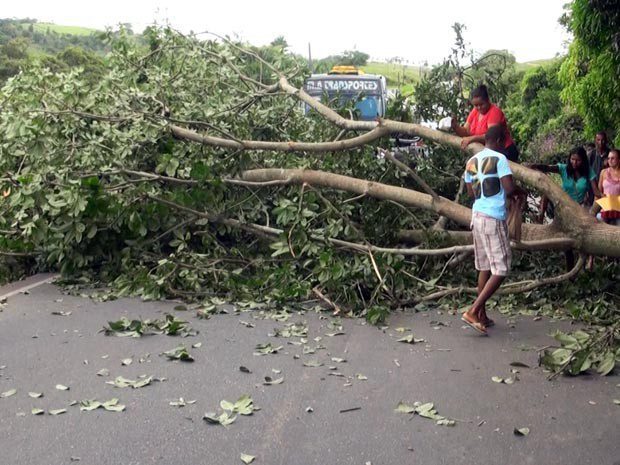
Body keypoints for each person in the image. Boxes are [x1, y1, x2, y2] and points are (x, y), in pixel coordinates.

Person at [461, 125, 523, 335]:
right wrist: (519, 192)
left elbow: (471, 192)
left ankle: (482, 316)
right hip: (493, 217)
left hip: (476, 216)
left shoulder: (471, 162)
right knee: (502, 268)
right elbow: (508, 188)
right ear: (499, 140)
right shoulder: (500, 159)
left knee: (485, 266)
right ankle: (473, 310)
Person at [527, 147, 602, 270]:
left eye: (578, 160)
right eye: (572, 159)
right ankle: (570, 271)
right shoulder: (563, 169)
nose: (574, 163)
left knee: (581, 240)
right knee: (567, 243)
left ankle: (582, 266)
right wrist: (534, 165)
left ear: (583, 160)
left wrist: (605, 198)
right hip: (563, 209)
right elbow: (548, 167)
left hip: (580, 210)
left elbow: (596, 192)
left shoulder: (588, 171)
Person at [452, 84, 519, 162]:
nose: (479, 108)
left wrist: (472, 139)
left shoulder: (495, 112)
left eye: (481, 104)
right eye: (476, 105)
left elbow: (492, 137)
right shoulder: (475, 111)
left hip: (505, 151)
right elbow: (466, 131)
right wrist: (455, 126)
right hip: (489, 152)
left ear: (487, 100)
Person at [597, 148, 620, 226]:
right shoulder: (603, 172)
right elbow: (599, 191)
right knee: (598, 219)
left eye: (613, 158)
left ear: (619, 160)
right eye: (609, 158)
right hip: (605, 210)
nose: (610, 160)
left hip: (618, 210)